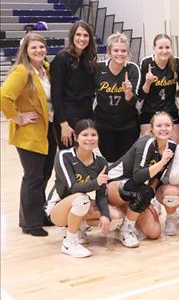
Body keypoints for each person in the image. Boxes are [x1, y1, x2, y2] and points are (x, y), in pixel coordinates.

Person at [1, 33, 57, 236]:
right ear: (25, 50)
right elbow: (4, 96)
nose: (39, 51)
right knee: (33, 177)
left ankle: (38, 215)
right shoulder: (21, 71)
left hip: (47, 129)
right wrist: (18, 117)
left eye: (41, 47)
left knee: (44, 175)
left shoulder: (46, 68)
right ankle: (30, 224)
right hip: (30, 133)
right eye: (33, 48)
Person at [45, 119, 121, 257]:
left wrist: (105, 215)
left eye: (93, 135)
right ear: (76, 137)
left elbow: (101, 194)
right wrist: (96, 182)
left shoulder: (100, 162)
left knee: (114, 214)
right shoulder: (64, 156)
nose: (90, 139)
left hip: (79, 204)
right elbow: (73, 187)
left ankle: (79, 228)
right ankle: (69, 243)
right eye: (85, 135)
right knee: (82, 199)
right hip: (57, 208)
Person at [107, 112, 177, 246]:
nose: (163, 128)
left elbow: (157, 176)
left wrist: (149, 195)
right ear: (152, 128)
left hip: (133, 189)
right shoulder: (147, 142)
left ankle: (127, 213)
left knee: (154, 232)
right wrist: (162, 162)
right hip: (112, 185)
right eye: (159, 125)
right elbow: (138, 176)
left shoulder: (172, 146)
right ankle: (126, 229)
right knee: (142, 192)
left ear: (173, 127)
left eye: (167, 125)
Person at [94, 33, 141, 163]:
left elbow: (133, 101)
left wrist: (128, 93)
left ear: (128, 52)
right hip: (104, 123)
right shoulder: (98, 68)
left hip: (128, 123)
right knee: (110, 161)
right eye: (116, 50)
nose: (119, 54)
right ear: (109, 51)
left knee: (126, 161)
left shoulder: (132, 69)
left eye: (123, 51)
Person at [51, 20, 98, 150]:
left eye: (85, 35)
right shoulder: (61, 59)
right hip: (68, 115)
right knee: (69, 157)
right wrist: (63, 124)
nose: (82, 39)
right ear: (72, 36)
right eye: (78, 35)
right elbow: (56, 95)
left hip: (87, 113)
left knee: (84, 155)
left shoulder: (89, 59)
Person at [139, 34, 179, 142]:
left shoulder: (178, 63)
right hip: (149, 111)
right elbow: (140, 94)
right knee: (149, 147)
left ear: (171, 48)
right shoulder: (146, 63)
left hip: (170, 110)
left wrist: (177, 94)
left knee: (174, 148)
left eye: (167, 47)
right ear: (154, 48)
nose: (164, 51)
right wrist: (148, 83)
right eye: (160, 48)